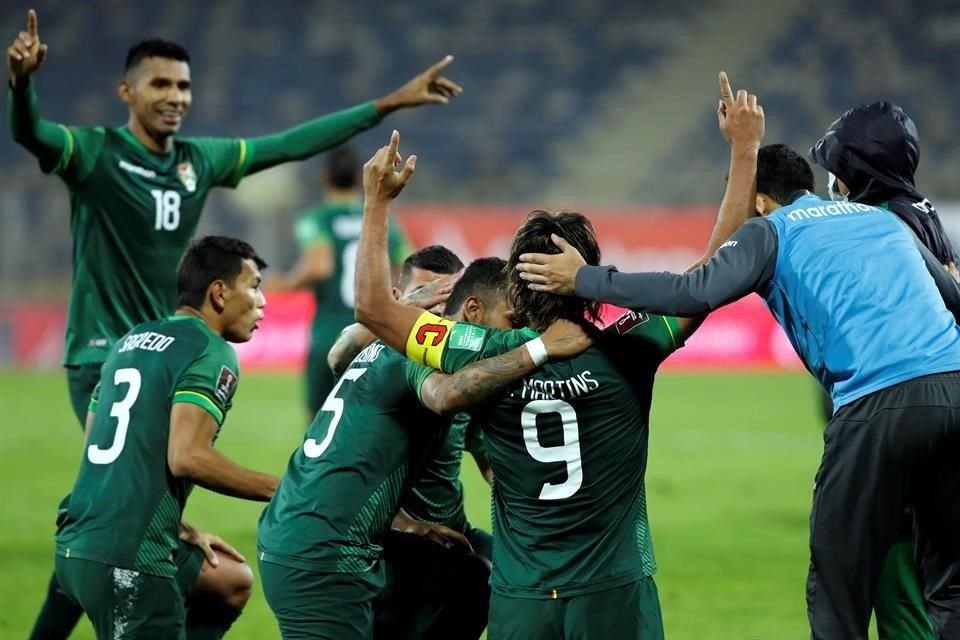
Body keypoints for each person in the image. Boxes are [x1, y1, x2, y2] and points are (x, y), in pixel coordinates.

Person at [6, 9, 460, 637]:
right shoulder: (95, 152)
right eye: (160, 84)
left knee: (205, 569)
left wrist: (387, 105)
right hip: (104, 355)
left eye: (184, 87)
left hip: (170, 346)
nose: (175, 98)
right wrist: (23, 87)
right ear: (127, 92)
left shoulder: (199, 160)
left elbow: (289, 144)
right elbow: (34, 137)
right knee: (119, 516)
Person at [351, 73, 764, 639]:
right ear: (588, 277)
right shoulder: (632, 346)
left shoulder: (475, 348)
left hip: (523, 600)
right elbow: (712, 273)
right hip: (613, 590)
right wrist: (745, 151)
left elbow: (375, 309)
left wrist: (376, 203)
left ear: (516, 287)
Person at [517, 143, 960, 639]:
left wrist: (586, 279)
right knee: (950, 586)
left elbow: (693, 292)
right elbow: (953, 296)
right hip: (955, 390)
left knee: (839, 585)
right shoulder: (879, 220)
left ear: (760, 200)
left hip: (878, 404)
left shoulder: (770, 230)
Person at [256, 246, 591, 640]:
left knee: (487, 572)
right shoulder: (414, 354)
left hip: (330, 540)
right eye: (512, 321)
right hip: (323, 552)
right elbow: (443, 394)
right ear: (471, 311)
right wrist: (539, 346)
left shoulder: (386, 347)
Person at [54, 236, 281, 639]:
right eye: (255, 285)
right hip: (129, 560)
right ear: (218, 292)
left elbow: (95, 443)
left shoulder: (129, 341)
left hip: (76, 543)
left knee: (230, 581)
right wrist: (286, 491)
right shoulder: (210, 351)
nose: (262, 300)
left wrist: (179, 526)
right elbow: (187, 457)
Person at [809, 100, 960, 640]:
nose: (830, 181)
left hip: (897, 429)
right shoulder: (923, 214)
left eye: (836, 168)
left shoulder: (878, 227)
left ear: (857, 171)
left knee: (901, 600)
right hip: (944, 417)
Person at [330, 258, 508, 640]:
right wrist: (398, 312)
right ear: (398, 301)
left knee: (519, 575)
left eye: (446, 300)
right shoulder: (386, 361)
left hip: (451, 533)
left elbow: (488, 458)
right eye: (427, 301)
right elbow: (338, 354)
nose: (437, 314)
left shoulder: (458, 369)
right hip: (392, 536)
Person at [267, 145, 413, 421]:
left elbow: (319, 266)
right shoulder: (381, 219)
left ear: (324, 177)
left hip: (329, 333)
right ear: (360, 179)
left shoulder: (317, 219)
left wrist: (285, 284)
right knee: (368, 418)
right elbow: (407, 265)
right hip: (373, 332)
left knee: (320, 422)